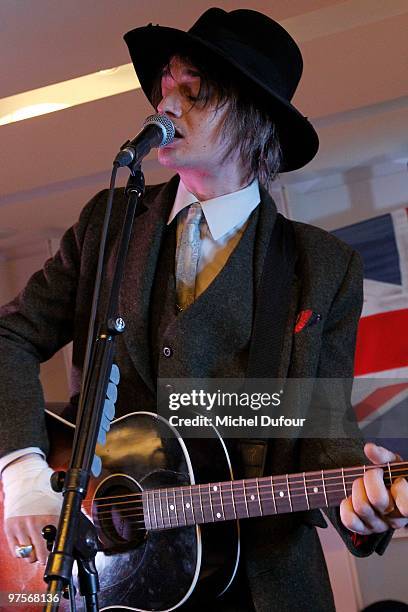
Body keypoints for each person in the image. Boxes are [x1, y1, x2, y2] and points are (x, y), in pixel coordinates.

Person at [0, 7, 407, 612]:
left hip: (259, 585)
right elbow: (9, 335)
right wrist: (24, 474)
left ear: (253, 118)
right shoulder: (105, 228)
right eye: (165, 87)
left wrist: (366, 504)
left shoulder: (322, 267)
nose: (163, 107)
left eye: (194, 92)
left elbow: (324, 440)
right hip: (102, 577)